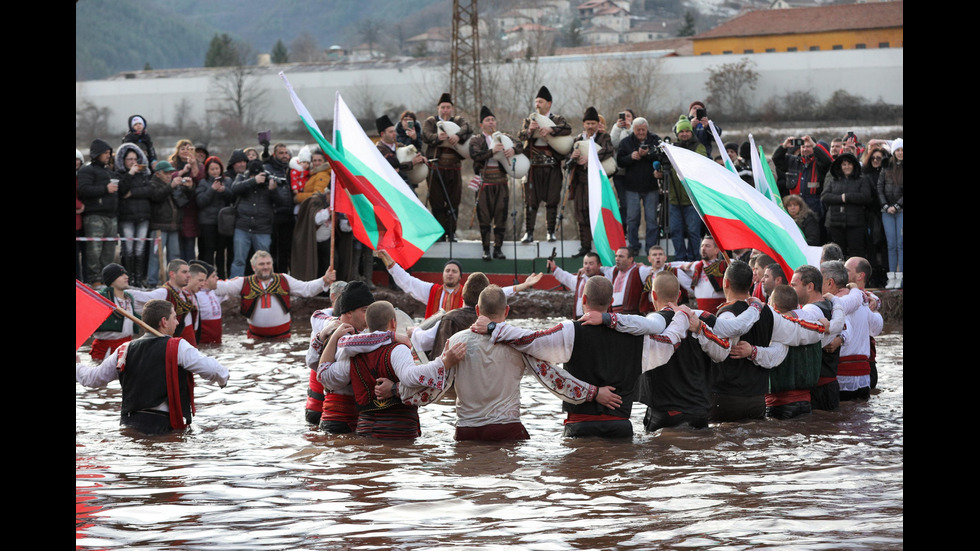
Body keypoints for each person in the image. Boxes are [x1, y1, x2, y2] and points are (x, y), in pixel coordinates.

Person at [379, 285, 620, 441]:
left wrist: (394, 389)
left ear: (476, 309)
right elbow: (553, 378)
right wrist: (594, 393)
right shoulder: (519, 342)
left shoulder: (456, 341)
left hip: (466, 431)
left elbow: (434, 388)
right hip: (506, 429)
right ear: (507, 311)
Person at [472, 276, 684, 438]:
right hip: (620, 427)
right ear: (611, 302)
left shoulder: (570, 330)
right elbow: (669, 345)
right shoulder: (640, 339)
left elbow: (530, 339)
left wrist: (493, 327)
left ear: (583, 298)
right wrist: (682, 318)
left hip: (580, 427)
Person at [316, 301, 468, 439]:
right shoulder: (398, 349)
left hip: (364, 431)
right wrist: (444, 363)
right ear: (393, 323)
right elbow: (411, 377)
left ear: (367, 325)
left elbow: (325, 377)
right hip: (399, 431)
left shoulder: (353, 353)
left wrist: (333, 337)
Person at [76, 299, 229, 435]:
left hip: (130, 425)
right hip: (163, 426)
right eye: (174, 318)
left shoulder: (124, 349)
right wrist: (223, 379)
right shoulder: (178, 346)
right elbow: (213, 370)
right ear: (164, 321)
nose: (177, 322)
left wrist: (76, 366)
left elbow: (92, 379)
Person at [707, 260, 832, 423]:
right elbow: (798, 332)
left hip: (725, 400)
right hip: (757, 401)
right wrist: (821, 326)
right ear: (752, 283)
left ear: (726, 283)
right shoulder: (768, 312)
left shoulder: (725, 316)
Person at [636, 271, 733, 431]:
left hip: (666, 413)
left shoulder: (649, 325)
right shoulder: (700, 322)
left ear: (653, 294)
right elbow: (723, 351)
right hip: (699, 411)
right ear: (680, 294)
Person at [377, 250, 540, 319]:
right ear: (442, 274)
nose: (450, 273)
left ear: (460, 276)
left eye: (454, 271)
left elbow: (496, 293)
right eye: (447, 270)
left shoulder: (468, 295)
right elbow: (407, 282)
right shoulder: (432, 291)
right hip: (433, 342)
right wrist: (390, 264)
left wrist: (523, 286)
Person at [789, 264, 862, 411]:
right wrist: (841, 339)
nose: (791, 290)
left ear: (809, 286)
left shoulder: (810, 311)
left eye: (794, 285)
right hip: (829, 386)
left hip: (818, 389)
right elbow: (848, 325)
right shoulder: (832, 305)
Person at [216, 250, 335, 339]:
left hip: (282, 338)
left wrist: (324, 279)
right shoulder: (244, 282)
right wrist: (204, 281)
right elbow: (223, 288)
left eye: (268, 264)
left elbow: (306, 289)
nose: (266, 267)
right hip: (255, 339)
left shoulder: (284, 279)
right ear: (253, 267)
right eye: (261, 264)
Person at [305, 280, 374, 432]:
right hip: (339, 420)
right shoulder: (347, 338)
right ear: (349, 312)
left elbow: (311, 362)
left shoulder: (329, 326)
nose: (369, 316)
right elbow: (333, 379)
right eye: (365, 310)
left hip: (341, 419)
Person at [519, 86, 571, 243]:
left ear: (549, 103)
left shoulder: (557, 119)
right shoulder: (530, 120)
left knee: (552, 200)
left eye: (540, 102)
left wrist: (550, 129)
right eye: (536, 102)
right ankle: (529, 232)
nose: (537, 105)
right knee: (530, 201)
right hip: (534, 167)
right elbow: (520, 136)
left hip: (552, 167)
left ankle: (550, 232)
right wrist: (529, 130)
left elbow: (567, 129)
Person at [469, 105, 521, 260]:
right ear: (481, 124)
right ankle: (486, 249)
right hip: (484, 184)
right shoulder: (477, 140)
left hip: (501, 183)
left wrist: (513, 150)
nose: (491, 123)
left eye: (493, 120)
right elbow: (475, 155)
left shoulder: (504, 137)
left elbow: (520, 145)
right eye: (487, 120)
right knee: (484, 217)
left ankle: (498, 248)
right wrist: (492, 151)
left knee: (500, 216)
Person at [828, 259, 882, 401]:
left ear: (860, 276)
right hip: (862, 372)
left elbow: (875, 327)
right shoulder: (864, 299)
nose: (843, 273)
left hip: (850, 372)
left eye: (846, 270)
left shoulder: (858, 299)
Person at [422, 93, 472, 242]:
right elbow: (426, 135)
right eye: (443, 107)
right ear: (438, 108)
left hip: (454, 168)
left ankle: (451, 232)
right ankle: (439, 233)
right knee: (437, 202)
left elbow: (467, 128)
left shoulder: (458, 121)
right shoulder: (431, 121)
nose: (445, 110)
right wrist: (438, 138)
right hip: (436, 168)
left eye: (448, 107)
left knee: (453, 202)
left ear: (452, 108)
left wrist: (458, 136)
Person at [229, 159, 290, 278]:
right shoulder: (242, 177)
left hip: (263, 228)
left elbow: (281, 202)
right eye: (253, 175)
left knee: (264, 262)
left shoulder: (268, 180)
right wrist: (253, 181)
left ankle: (265, 285)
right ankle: (234, 289)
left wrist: (273, 190)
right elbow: (234, 189)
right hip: (243, 226)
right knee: (239, 260)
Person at [567, 106, 614, 257]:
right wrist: (572, 157)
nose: (590, 126)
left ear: (597, 124)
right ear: (583, 124)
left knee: (598, 214)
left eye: (593, 123)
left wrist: (591, 158)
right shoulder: (577, 140)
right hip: (580, 183)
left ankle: (601, 247)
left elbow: (608, 151)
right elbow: (567, 164)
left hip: (597, 183)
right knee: (581, 214)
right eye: (588, 123)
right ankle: (585, 247)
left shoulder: (604, 137)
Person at [664, 115, 709, 262]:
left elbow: (698, 164)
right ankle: (680, 258)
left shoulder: (699, 147)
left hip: (692, 198)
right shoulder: (671, 148)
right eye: (681, 132)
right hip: (674, 198)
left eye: (687, 131)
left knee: (693, 232)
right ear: (677, 134)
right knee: (676, 231)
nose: (684, 134)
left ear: (691, 132)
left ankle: (693, 259)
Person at [77, 139, 121, 285]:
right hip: (94, 216)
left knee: (109, 252)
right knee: (94, 252)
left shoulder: (110, 171)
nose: (108, 155)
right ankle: (95, 280)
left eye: (109, 153)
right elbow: (83, 190)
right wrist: (105, 189)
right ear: (97, 154)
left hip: (111, 216)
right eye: (105, 153)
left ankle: (107, 281)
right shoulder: (87, 170)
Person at [616, 117, 661, 255]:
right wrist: (631, 157)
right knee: (632, 219)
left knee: (652, 219)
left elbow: (661, 157)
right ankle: (634, 246)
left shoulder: (655, 140)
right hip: (632, 187)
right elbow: (619, 161)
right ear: (633, 130)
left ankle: (651, 248)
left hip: (651, 186)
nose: (641, 132)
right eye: (638, 130)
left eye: (643, 130)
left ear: (647, 129)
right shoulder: (626, 142)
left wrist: (648, 155)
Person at [131, 259, 198, 347]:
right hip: (175, 345)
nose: (189, 275)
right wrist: (120, 292)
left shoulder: (184, 293)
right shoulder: (164, 292)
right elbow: (139, 296)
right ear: (172, 274)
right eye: (184, 272)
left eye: (188, 272)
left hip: (187, 344)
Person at [146, 161, 191, 287]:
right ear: (158, 173)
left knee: (175, 256)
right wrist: (171, 186)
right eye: (166, 173)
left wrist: (188, 188)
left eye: (171, 172)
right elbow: (156, 196)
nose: (169, 175)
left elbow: (183, 202)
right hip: (158, 226)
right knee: (155, 255)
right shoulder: (152, 184)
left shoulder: (172, 184)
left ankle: (173, 282)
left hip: (173, 226)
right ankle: (152, 282)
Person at [114, 143, 154, 286]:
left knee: (140, 249)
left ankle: (138, 279)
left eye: (135, 159)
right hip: (127, 217)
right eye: (129, 159)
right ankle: (127, 279)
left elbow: (150, 190)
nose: (133, 162)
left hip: (143, 215)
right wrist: (130, 174)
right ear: (123, 160)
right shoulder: (120, 174)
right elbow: (122, 191)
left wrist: (134, 193)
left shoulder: (145, 174)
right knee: (128, 249)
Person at [773, 135, 833, 228]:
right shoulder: (793, 162)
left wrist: (815, 146)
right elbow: (776, 159)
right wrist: (783, 147)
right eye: (803, 147)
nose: (805, 149)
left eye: (808, 146)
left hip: (814, 210)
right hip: (794, 210)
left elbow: (828, 161)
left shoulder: (819, 164)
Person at [821, 152, 874, 259]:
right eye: (844, 164)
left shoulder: (862, 180)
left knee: (857, 252)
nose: (847, 167)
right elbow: (824, 197)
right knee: (837, 254)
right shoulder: (833, 181)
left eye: (849, 164)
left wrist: (847, 197)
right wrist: (841, 198)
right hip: (835, 223)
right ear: (840, 166)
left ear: (854, 165)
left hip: (856, 223)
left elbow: (866, 197)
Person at [90, 263, 139, 362]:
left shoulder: (129, 298)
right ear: (111, 280)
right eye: (121, 275)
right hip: (106, 349)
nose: (126, 277)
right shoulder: (102, 298)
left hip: (127, 345)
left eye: (126, 274)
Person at [196, 156, 234, 283]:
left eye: (217, 168)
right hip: (207, 222)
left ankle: (222, 277)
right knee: (209, 250)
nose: (214, 171)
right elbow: (201, 202)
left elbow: (233, 198)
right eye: (212, 169)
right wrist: (212, 189)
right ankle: (208, 277)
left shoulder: (227, 181)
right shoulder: (203, 183)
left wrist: (224, 191)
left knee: (221, 251)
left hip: (223, 222)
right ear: (207, 170)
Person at [169, 140, 204, 263]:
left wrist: (193, 165)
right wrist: (182, 172)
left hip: (191, 209)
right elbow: (167, 179)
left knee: (189, 246)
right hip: (174, 210)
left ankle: (190, 275)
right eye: (183, 149)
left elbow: (200, 180)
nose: (185, 151)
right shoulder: (171, 165)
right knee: (176, 249)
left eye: (189, 149)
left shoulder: (199, 165)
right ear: (177, 151)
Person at [676, 235, 727, 314]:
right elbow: (674, 266)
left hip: (720, 310)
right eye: (702, 246)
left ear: (716, 250)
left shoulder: (723, 265)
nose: (703, 249)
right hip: (701, 310)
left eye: (707, 246)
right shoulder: (697, 266)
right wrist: (683, 266)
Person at [264, 143, 295, 273]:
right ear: (274, 155)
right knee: (273, 250)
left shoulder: (292, 169)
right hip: (274, 215)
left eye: (285, 153)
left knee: (285, 250)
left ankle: (282, 278)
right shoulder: (267, 168)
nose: (284, 156)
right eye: (281, 153)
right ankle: (272, 278)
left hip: (289, 215)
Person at [877, 139, 903, 289]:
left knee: (901, 244)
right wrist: (885, 205)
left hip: (901, 211)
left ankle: (900, 276)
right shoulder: (886, 167)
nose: (900, 153)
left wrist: (898, 204)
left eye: (902, 150)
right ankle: (892, 276)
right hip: (887, 211)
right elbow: (880, 187)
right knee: (891, 244)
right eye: (898, 150)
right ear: (893, 152)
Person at [547, 252, 604, 318]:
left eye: (591, 264)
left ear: (599, 265)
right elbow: (567, 278)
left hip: (596, 319)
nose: (587, 267)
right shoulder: (580, 280)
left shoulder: (605, 279)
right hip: (579, 318)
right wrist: (554, 268)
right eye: (585, 263)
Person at [609, 108, 635, 233]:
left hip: (634, 172)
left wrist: (630, 128)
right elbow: (613, 143)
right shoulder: (616, 129)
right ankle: (622, 228)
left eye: (628, 116)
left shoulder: (636, 129)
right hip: (619, 172)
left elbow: (634, 143)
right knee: (623, 202)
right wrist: (617, 128)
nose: (626, 118)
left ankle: (632, 229)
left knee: (633, 204)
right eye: (623, 116)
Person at [375, 115, 419, 185]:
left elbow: (414, 151)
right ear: (382, 134)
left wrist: (419, 157)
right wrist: (412, 163)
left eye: (394, 131)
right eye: (391, 132)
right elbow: (394, 165)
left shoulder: (399, 145)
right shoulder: (379, 149)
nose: (394, 134)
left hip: (405, 181)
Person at [190, 261, 225, 345]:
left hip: (216, 344)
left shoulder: (213, 292)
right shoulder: (196, 296)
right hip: (202, 345)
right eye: (213, 276)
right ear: (205, 280)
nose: (217, 278)